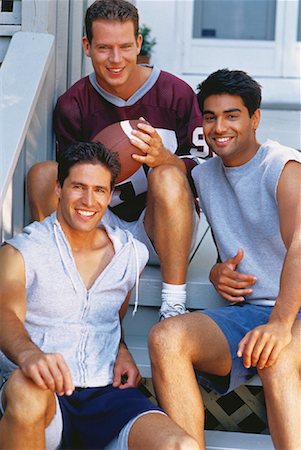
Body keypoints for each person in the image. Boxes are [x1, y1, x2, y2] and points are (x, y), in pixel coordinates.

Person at [0, 142, 199, 450]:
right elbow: (4, 314)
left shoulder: (130, 254)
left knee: (181, 446)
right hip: (45, 391)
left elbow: (108, 313)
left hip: (105, 393)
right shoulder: (22, 251)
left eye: (99, 190)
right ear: (59, 188)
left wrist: (119, 347)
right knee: (26, 391)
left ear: (109, 195)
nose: (88, 200)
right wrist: (30, 355)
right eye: (78, 187)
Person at [27, 0, 209, 320]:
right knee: (44, 174)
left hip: (163, 229)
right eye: (104, 48)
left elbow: (209, 172)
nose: (115, 59)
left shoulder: (175, 93)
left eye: (125, 47)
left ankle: (173, 301)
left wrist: (165, 159)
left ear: (138, 43)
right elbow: (66, 181)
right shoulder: (74, 103)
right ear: (87, 46)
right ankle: (57, 283)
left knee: (165, 175)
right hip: (101, 225)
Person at [148, 69, 301, 450]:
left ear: (254, 118)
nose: (220, 127)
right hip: (251, 315)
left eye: (232, 115)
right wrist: (218, 272)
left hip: (293, 311)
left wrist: (281, 324)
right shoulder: (206, 176)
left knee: (277, 359)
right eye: (211, 116)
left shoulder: (282, 167)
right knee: (167, 337)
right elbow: (233, 248)